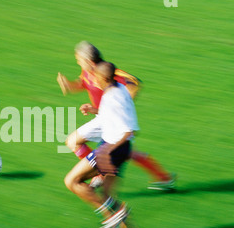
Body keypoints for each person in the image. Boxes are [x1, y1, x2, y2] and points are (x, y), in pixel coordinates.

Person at [58, 41, 176, 191]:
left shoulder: (108, 72)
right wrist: (69, 85)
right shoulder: (87, 72)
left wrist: (123, 105)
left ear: (88, 61)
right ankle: (164, 178)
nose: (78, 63)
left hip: (112, 119)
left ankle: (99, 173)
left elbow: (135, 83)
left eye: (79, 60)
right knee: (126, 152)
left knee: (77, 142)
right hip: (101, 117)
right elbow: (83, 84)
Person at [64, 61, 153, 228]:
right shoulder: (118, 89)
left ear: (104, 78)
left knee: (72, 181)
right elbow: (113, 115)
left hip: (111, 149)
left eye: (95, 77)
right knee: (106, 194)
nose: (93, 80)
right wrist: (93, 110)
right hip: (119, 149)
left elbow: (129, 130)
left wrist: (109, 151)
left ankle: (112, 216)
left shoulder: (114, 97)